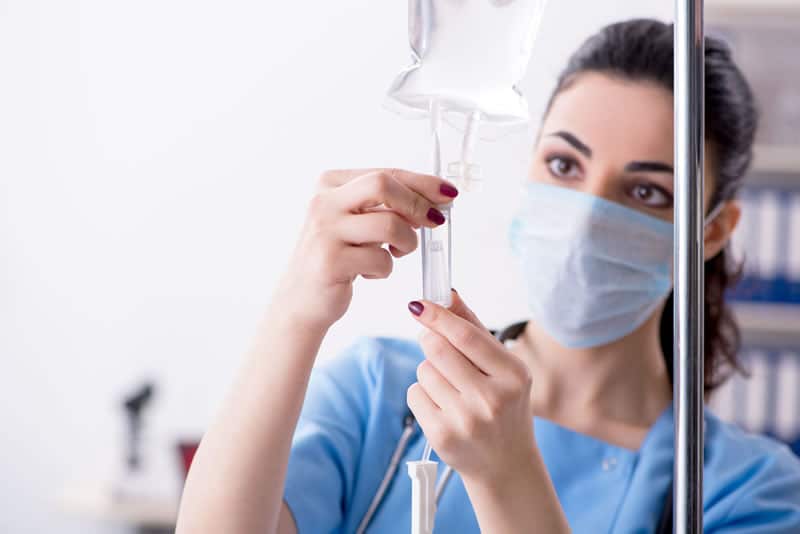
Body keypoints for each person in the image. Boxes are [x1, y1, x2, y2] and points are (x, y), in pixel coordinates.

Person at [175, 19, 800, 534]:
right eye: (564, 163)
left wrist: (509, 479)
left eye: (646, 190)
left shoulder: (742, 489)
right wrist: (296, 312)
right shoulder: (381, 395)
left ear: (712, 231)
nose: (585, 219)